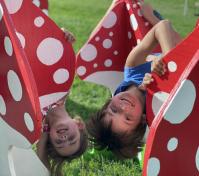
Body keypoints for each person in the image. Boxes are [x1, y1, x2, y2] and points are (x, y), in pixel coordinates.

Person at [86, 3, 182, 159]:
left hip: (171, 47)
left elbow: (164, 26)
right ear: (142, 120)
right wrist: (164, 80)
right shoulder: (159, 105)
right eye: (128, 118)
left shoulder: (132, 67)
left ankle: (151, 18)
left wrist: (168, 59)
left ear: (106, 104)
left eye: (114, 110)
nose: (124, 107)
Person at [36, 30, 88, 176]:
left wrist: (43, 137)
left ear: (50, 136)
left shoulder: (37, 119)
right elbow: (51, 54)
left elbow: (42, 166)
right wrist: (62, 39)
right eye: (72, 139)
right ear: (79, 125)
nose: (64, 139)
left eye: (59, 143)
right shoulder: (62, 91)